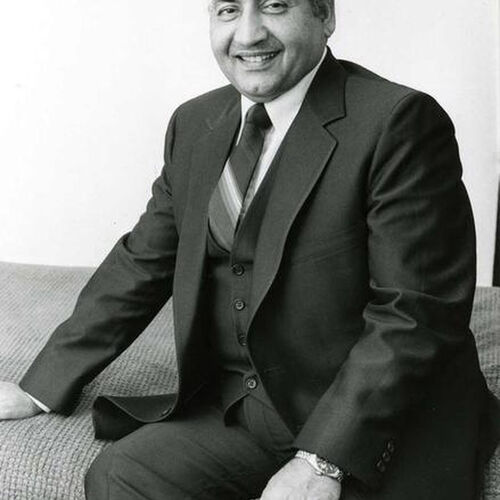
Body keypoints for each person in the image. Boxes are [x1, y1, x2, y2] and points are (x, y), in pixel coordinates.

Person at [1, 0, 499, 498]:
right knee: (120, 477)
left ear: (325, 16)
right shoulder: (194, 123)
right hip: (247, 408)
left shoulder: (398, 121)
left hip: (377, 422)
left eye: (275, 5)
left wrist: (321, 461)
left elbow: (415, 312)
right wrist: (38, 388)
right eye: (228, 10)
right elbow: (142, 263)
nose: (247, 34)